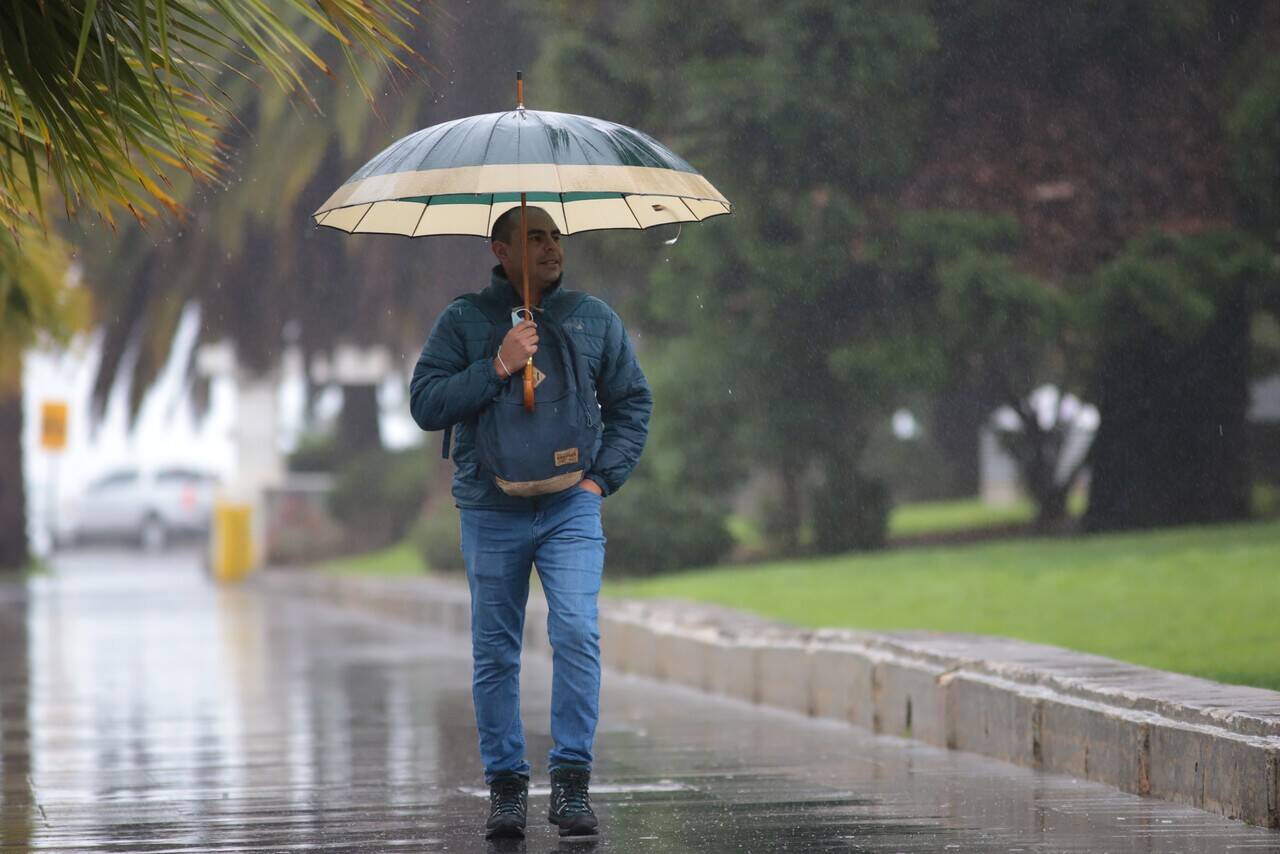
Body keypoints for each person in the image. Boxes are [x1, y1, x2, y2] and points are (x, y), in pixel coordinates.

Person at [408, 206, 652, 840]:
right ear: (501, 250)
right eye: (535, 238)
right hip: (491, 507)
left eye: (555, 237)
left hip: (571, 502)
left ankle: (571, 782)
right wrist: (498, 364)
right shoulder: (464, 319)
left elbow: (632, 402)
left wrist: (602, 480)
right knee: (495, 650)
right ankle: (507, 790)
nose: (551, 248)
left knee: (575, 629)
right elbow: (426, 404)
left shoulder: (593, 318)